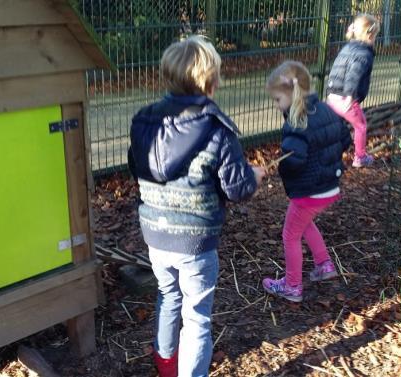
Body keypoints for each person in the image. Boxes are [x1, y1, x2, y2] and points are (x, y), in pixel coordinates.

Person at [127, 35, 265, 377]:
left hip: (155, 234)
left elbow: (136, 168)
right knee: (197, 314)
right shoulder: (217, 129)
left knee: (167, 295)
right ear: (211, 80)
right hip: (195, 242)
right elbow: (237, 189)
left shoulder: (144, 121)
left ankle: (165, 365)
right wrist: (255, 176)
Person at [262, 61, 352, 302]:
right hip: (329, 186)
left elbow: (295, 160)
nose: (277, 105)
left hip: (310, 191)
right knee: (305, 223)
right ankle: (324, 264)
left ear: (291, 94)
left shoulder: (296, 122)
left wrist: (282, 167)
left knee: (290, 235)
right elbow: (345, 139)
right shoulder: (326, 109)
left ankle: (292, 285)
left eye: (278, 99)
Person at [326, 13, 380, 168]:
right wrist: (350, 95)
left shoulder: (349, 47)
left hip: (332, 95)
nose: (375, 39)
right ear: (370, 35)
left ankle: (329, 155)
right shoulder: (363, 54)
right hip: (346, 98)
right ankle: (360, 157)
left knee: (334, 127)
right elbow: (353, 75)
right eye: (375, 36)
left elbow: (337, 69)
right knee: (360, 125)